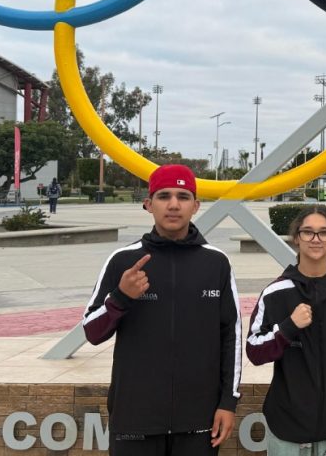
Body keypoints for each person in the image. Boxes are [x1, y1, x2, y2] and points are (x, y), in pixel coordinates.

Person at [82, 164, 241, 455]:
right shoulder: (123, 261)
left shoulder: (216, 262)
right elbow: (92, 332)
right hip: (135, 418)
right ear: (148, 204)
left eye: (183, 196)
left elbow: (231, 336)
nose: (173, 205)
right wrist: (120, 297)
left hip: (199, 420)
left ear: (196, 206)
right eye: (164, 196)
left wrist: (228, 402)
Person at [246, 206, 326, 455]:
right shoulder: (275, 293)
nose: (316, 239)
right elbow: (254, 351)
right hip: (287, 427)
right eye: (308, 232)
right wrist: (287, 328)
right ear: (296, 238)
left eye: (324, 232)